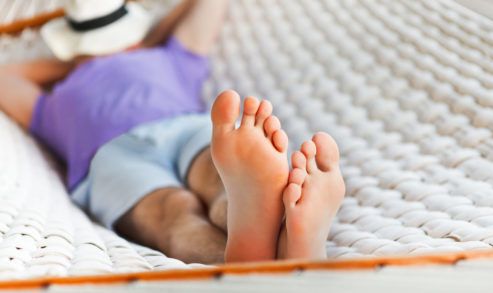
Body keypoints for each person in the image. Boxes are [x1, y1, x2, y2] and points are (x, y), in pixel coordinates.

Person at [0, 0, 345, 264]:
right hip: (110, 156)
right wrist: (83, 59)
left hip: (179, 130)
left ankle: (251, 242)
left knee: (214, 178)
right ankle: (291, 247)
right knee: (174, 210)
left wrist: (148, 37)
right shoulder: (55, 98)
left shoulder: (171, 55)